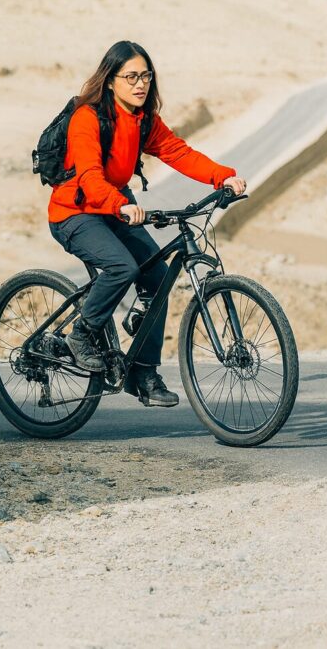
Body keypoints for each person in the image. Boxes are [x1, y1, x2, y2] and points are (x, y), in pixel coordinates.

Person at [47, 40, 246, 407]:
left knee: (155, 278)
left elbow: (178, 152)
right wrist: (121, 204)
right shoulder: (87, 118)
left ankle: (143, 374)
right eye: (132, 76)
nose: (141, 84)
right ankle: (82, 334)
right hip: (75, 212)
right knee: (122, 267)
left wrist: (223, 177)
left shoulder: (143, 120)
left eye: (146, 76)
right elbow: (90, 177)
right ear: (110, 80)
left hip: (116, 207)